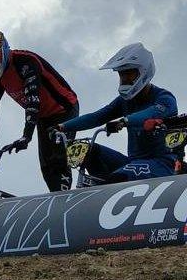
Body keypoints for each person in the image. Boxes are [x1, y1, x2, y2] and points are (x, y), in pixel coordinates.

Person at [0, 28, 79, 192]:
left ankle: (65, 198)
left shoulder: (25, 61)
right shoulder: (0, 77)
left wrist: (26, 136)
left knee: (57, 159)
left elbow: (33, 100)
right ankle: (57, 197)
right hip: (44, 116)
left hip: (64, 109)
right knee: (46, 167)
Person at [53, 43, 178, 183]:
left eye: (129, 73)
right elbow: (97, 117)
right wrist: (62, 126)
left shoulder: (164, 98)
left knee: (118, 178)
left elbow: (150, 113)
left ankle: (107, 187)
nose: (124, 79)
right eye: (121, 74)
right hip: (133, 163)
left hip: (162, 165)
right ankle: (99, 189)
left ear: (144, 71)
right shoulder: (125, 101)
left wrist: (124, 121)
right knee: (88, 151)